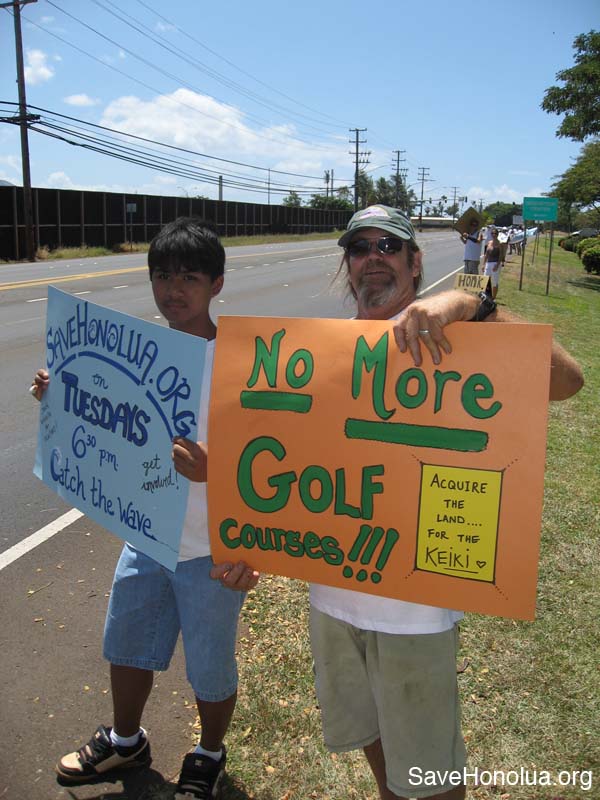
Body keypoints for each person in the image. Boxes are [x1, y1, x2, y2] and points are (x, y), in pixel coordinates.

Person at [302, 205, 583, 800]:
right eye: (359, 247)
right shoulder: (317, 353)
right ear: (347, 265)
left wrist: (471, 304)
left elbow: (568, 381)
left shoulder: (451, 340)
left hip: (413, 605)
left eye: (388, 246)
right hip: (331, 591)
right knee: (374, 738)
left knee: (430, 772)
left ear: (413, 261)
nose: (372, 257)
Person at [32, 217, 255, 800]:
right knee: (126, 644)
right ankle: (127, 742)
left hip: (211, 549)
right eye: (161, 275)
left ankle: (208, 754)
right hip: (146, 533)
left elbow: (273, 460)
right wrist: (60, 391)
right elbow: (100, 402)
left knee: (210, 668)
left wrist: (217, 469)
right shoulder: (142, 352)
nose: (173, 289)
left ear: (217, 283)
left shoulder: (240, 361)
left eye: (188, 276)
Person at [483, 226, 502, 299]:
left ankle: (493, 298)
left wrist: (497, 265)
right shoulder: (489, 243)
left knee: (494, 282)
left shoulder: (499, 244)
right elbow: (486, 254)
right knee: (485, 280)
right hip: (488, 263)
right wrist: (483, 264)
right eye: (492, 233)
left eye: (495, 233)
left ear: (497, 234)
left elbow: (501, 256)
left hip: (495, 263)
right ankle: (486, 295)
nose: (494, 235)